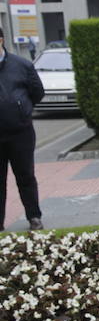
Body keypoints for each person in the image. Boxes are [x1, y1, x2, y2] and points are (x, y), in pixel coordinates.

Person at [0, 26, 44, 232]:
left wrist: (22, 109)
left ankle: (34, 217)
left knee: (25, 176)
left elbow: (37, 92)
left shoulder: (22, 65)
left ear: (1, 40)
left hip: (20, 133)